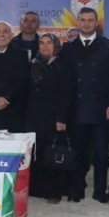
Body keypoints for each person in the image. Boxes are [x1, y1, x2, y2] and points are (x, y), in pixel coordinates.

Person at [61, 7, 109, 204]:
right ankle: (76, 189)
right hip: (77, 108)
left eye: (90, 20)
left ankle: (100, 191)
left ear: (96, 23)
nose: (86, 23)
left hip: (101, 108)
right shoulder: (68, 48)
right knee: (78, 153)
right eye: (83, 20)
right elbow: (66, 82)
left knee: (102, 154)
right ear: (78, 22)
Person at [26, 34, 75, 203]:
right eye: (42, 43)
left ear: (56, 46)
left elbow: (67, 95)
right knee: (36, 153)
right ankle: (36, 189)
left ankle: (55, 191)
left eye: (49, 43)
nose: (45, 46)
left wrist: (62, 118)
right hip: (33, 116)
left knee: (52, 153)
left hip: (54, 117)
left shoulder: (63, 65)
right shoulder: (32, 64)